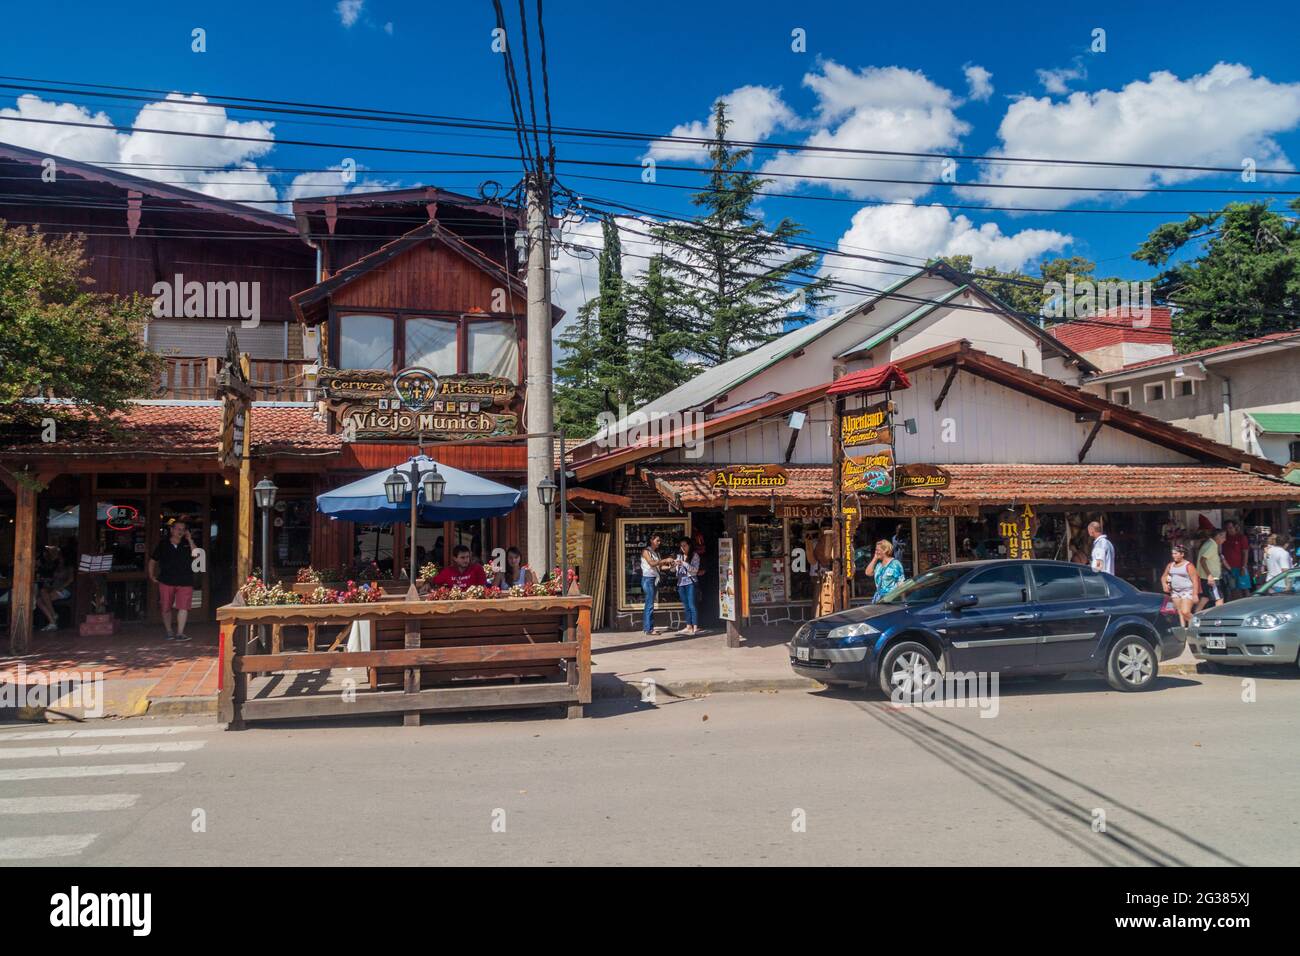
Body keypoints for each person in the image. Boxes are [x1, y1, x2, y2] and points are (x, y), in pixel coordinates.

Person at [149, 520, 197, 641]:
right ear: (172, 530)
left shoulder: (187, 543)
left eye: (183, 529)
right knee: (166, 607)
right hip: (166, 579)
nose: (180, 531)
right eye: (178, 529)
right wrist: (151, 575)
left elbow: (196, 555)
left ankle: (180, 633)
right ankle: (169, 631)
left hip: (185, 579)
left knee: (183, 607)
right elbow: (153, 560)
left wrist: (190, 539)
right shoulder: (163, 544)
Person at [34, 544, 73, 632]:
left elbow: (71, 579)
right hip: (54, 588)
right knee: (39, 599)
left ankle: (53, 620)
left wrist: (61, 587)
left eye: (58, 555)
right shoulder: (56, 565)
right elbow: (52, 578)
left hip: (64, 590)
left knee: (42, 598)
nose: (57, 556)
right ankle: (52, 619)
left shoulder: (69, 567)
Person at [1160, 545, 1200, 628]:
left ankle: (1197, 623)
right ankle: (1185, 632)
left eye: (1175, 553)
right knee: (1180, 613)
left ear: (1182, 554)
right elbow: (1164, 576)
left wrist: (1195, 594)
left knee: (1185, 612)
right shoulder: (1170, 565)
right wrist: (1164, 584)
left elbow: (1195, 580)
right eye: (1173, 554)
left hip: (1187, 591)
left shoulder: (1188, 565)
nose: (1173, 555)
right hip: (1175, 591)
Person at [673, 537, 702, 636]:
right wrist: (673, 565)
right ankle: (688, 626)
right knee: (686, 606)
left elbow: (695, 570)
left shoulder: (695, 556)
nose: (683, 548)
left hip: (690, 582)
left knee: (692, 605)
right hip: (681, 583)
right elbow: (674, 571)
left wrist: (684, 563)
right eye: (681, 546)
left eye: (684, 545)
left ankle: (695, 627)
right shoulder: (679, 556)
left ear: (689, 545)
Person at [865, 539, 906, 604]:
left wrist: (903, 601)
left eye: (878, 550)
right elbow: (868, 573)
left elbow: (900, 584)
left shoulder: (895, 564)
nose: (876, 552)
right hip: (879, 600)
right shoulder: (878, 565)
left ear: (885, 550)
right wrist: (875, 558)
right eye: (876, 550)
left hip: (892, 600)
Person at [1196, 529, 1226, 610]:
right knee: (1219, 599)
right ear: (1217, 536)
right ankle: (1218, 620)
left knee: (1205, 598)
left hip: (1206, 578)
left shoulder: (1210, 544)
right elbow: (1202, 560)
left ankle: (1193, 617)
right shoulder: (1211, 545)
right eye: (1223, 537)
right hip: (1211, 578)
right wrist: (1209, 576)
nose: (1224, 539)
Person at [640, 533, 663, 635]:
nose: (659, 543)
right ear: (651, 540)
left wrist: (672, 566)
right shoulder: (646, 551)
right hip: (648, 580)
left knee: (649, 604)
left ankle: (647, 628)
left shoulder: (656, 553)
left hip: (654, 579)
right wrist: (665, 560)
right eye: (657, 540)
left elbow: (660, 567)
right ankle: (649, 629)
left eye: (659, 541)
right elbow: (651, 563)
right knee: (649, 605)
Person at [1221, 520, 1250, 598]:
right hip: (1228, 568)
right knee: (1233, 589)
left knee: (1245, 588)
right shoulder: (1224, 538)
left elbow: (1245, 552)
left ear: (1235, 527)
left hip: (1240, 567)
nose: (1228, 530)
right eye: (1227, 528)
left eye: (1230, 527)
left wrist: (1244, 567)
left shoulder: (1241, 537)